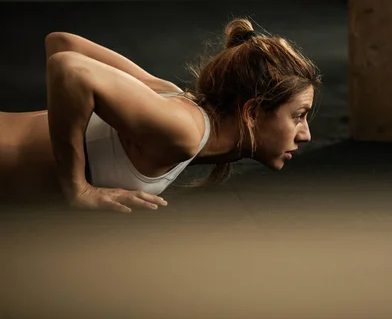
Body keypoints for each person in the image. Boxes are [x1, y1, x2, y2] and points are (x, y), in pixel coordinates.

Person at [0, 18, 321, 213]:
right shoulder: (184, 131)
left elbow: (61, 42)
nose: (305, 133)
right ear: (252, 112)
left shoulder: (179, 102)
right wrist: (77, 187)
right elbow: (68, 67)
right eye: (298, 115)